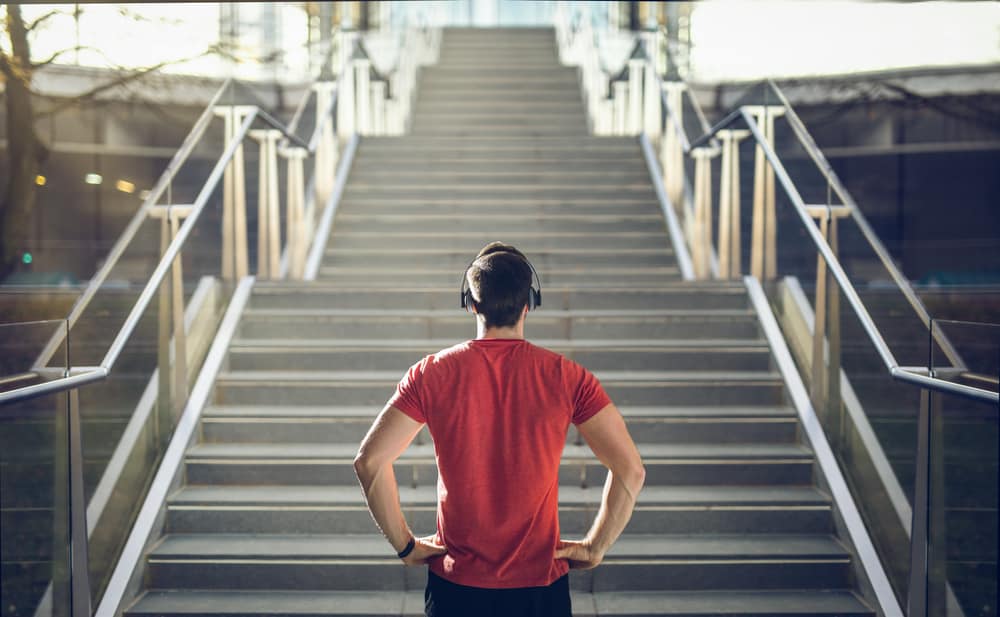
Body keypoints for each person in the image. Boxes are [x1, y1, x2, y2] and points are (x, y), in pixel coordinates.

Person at [354, 241, 645, 617]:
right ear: (529, 304)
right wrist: (595, 546)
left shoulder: (431, 374)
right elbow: (631, 470)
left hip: (457, 586)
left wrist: (406, 546)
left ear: (470, 303)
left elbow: (369, 462)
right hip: (541, 587)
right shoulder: (568, 377)